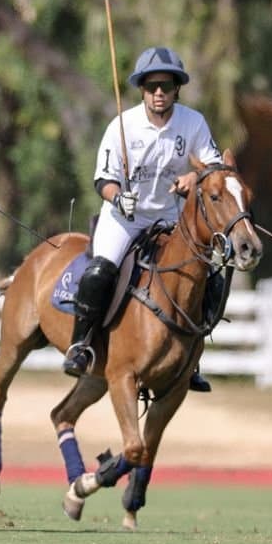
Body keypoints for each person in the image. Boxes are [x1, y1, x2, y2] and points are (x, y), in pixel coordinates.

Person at [61, 46, 222, 392]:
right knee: (100, 270)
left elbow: (214, 166)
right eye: (151, 87)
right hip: (125, 218)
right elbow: (102, 180)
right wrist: (118, 196)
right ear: (142, 90)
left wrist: (195, 177)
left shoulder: (192, 123)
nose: (159, 92)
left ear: (177, 88)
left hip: (172, 218)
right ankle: (82, 344)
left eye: (165, 85)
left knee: (208, 276)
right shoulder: (123, 124)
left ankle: (192, 357)